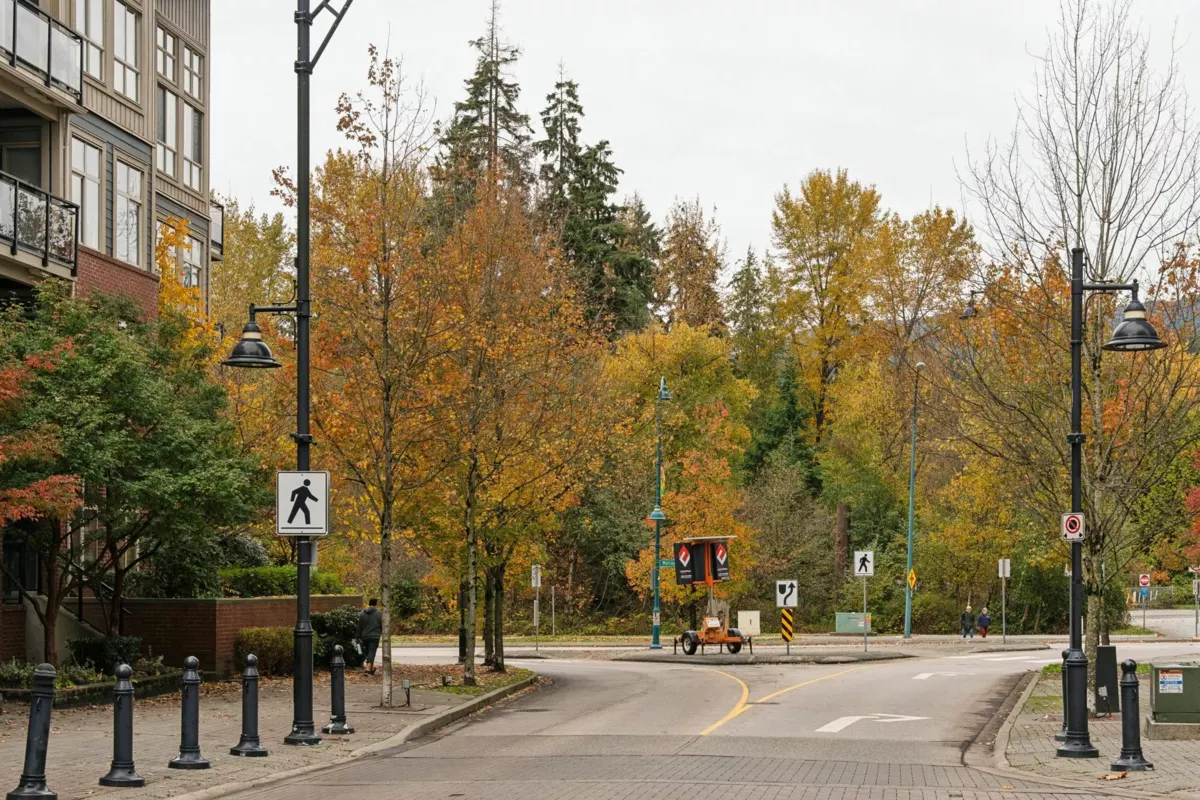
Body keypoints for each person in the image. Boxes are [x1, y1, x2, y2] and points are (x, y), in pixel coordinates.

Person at [357, 598, 382, 675]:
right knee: (372, 652)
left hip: (365, 636)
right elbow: (382, 625)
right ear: (376, 604)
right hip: (375, 636)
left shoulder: (362, 613)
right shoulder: (379, 614)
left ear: (369, 604)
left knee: (368, 652)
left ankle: (372, 668)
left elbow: (359, 626)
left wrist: (358, 635)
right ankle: (368, 669)